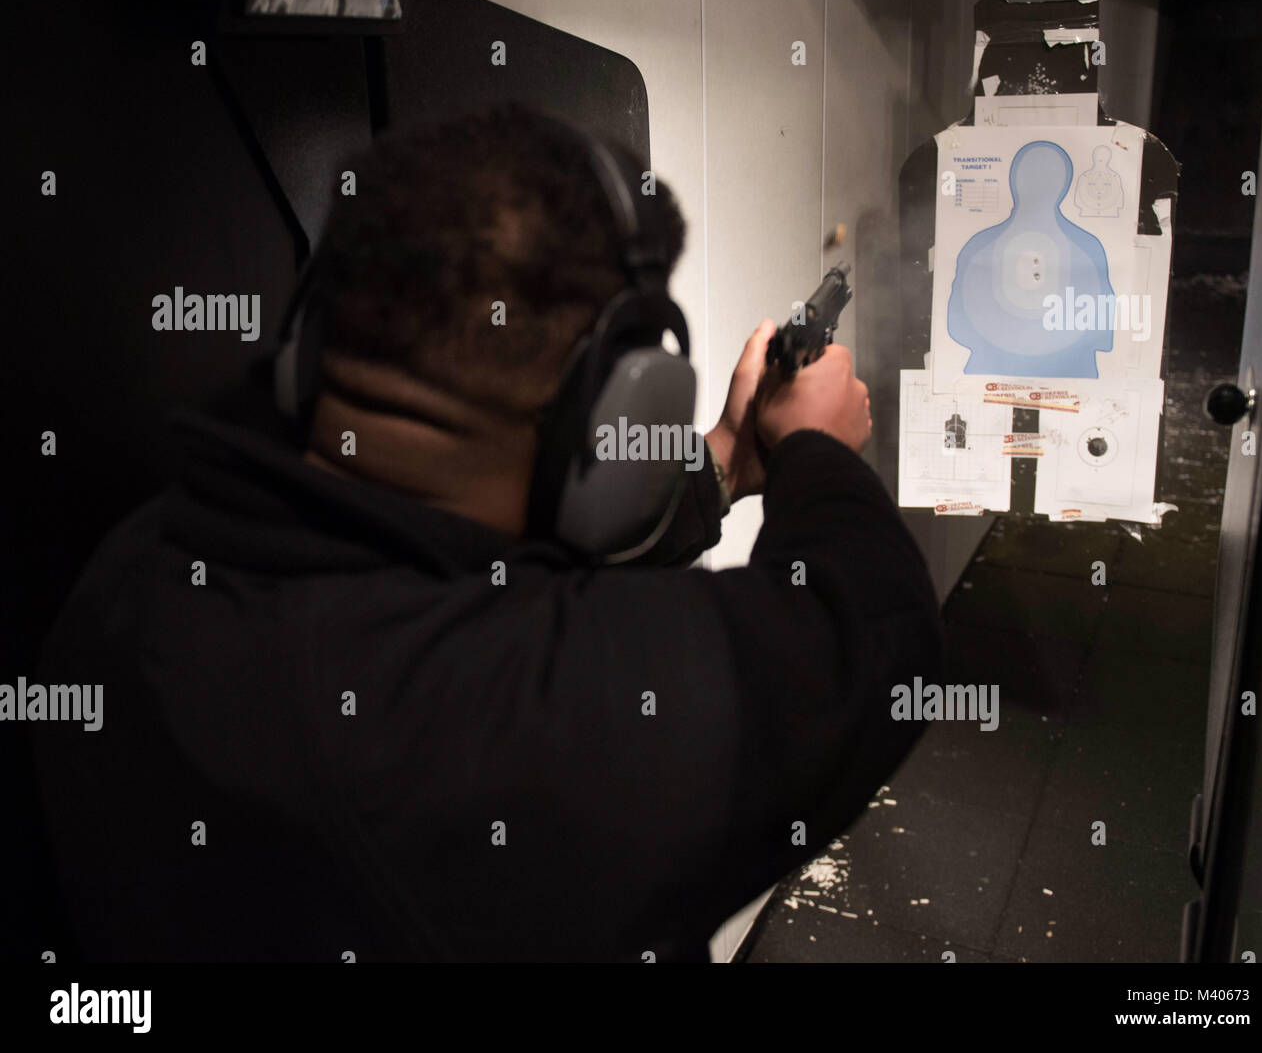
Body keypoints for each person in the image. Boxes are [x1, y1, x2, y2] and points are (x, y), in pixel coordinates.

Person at [29, 103, 942, 962]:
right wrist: (816, 446)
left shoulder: (151, 558)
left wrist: (730, 459)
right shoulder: (500, 726)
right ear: (610, 416)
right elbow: (869, 626)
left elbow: (493, 554)